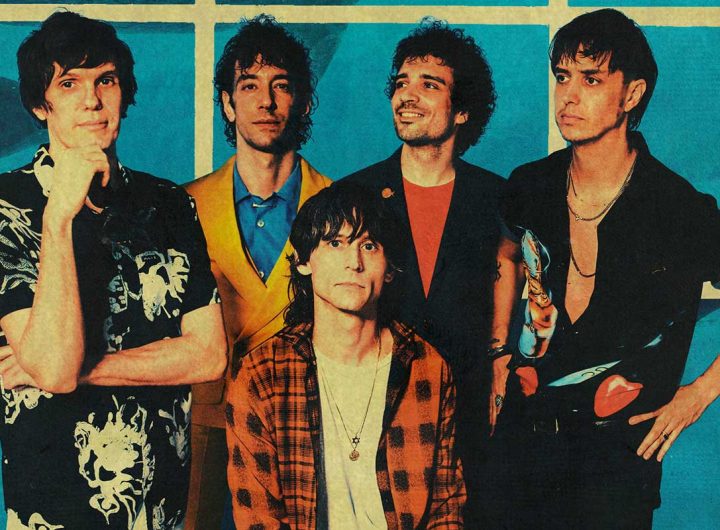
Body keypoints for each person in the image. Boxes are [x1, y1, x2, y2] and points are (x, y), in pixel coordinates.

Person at [489, 8, 720, 529]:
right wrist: (498, 353)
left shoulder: (679, 208)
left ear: (632, 94)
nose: (568, 96)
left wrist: (700, 393)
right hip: (518, 456)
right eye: (562, 77)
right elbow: (506, 254)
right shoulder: (529, 186)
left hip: (616, 472)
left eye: (591, 79)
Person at [0, 11, 227, 529]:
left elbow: (209, 355)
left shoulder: (170, 204)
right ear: (40, 104)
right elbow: (54, 367)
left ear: (124, 94)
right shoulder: (6, 204)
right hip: (52, 511)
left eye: (106, 80)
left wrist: (83, 370)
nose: (91, 100)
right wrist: (58, 217)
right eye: (69, 83)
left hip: (160, 508)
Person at [341, 19, 510, 522]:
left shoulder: (498, 199)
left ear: (462, 110)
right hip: (372, 420)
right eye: (401, 83)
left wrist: (501, 365)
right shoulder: (354, 196)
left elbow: (516, 290)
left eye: (429, 84)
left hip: (471, 429)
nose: (407, 96)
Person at [225, 184, 465, 529]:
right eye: (335, 243)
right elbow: (258, 518)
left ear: (390, 269)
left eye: (369, 245)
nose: (354, 263)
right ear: (303, 261)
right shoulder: (263, 374)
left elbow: (446, 508)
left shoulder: (426, 366)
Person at [184, 14, 330, 529]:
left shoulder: (338, 206)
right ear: (227, 103)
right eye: (249, 85)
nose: (265, 102)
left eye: (281, 86)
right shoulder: (183, 206)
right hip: (204, 425)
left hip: (303, 423)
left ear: (303, 102)